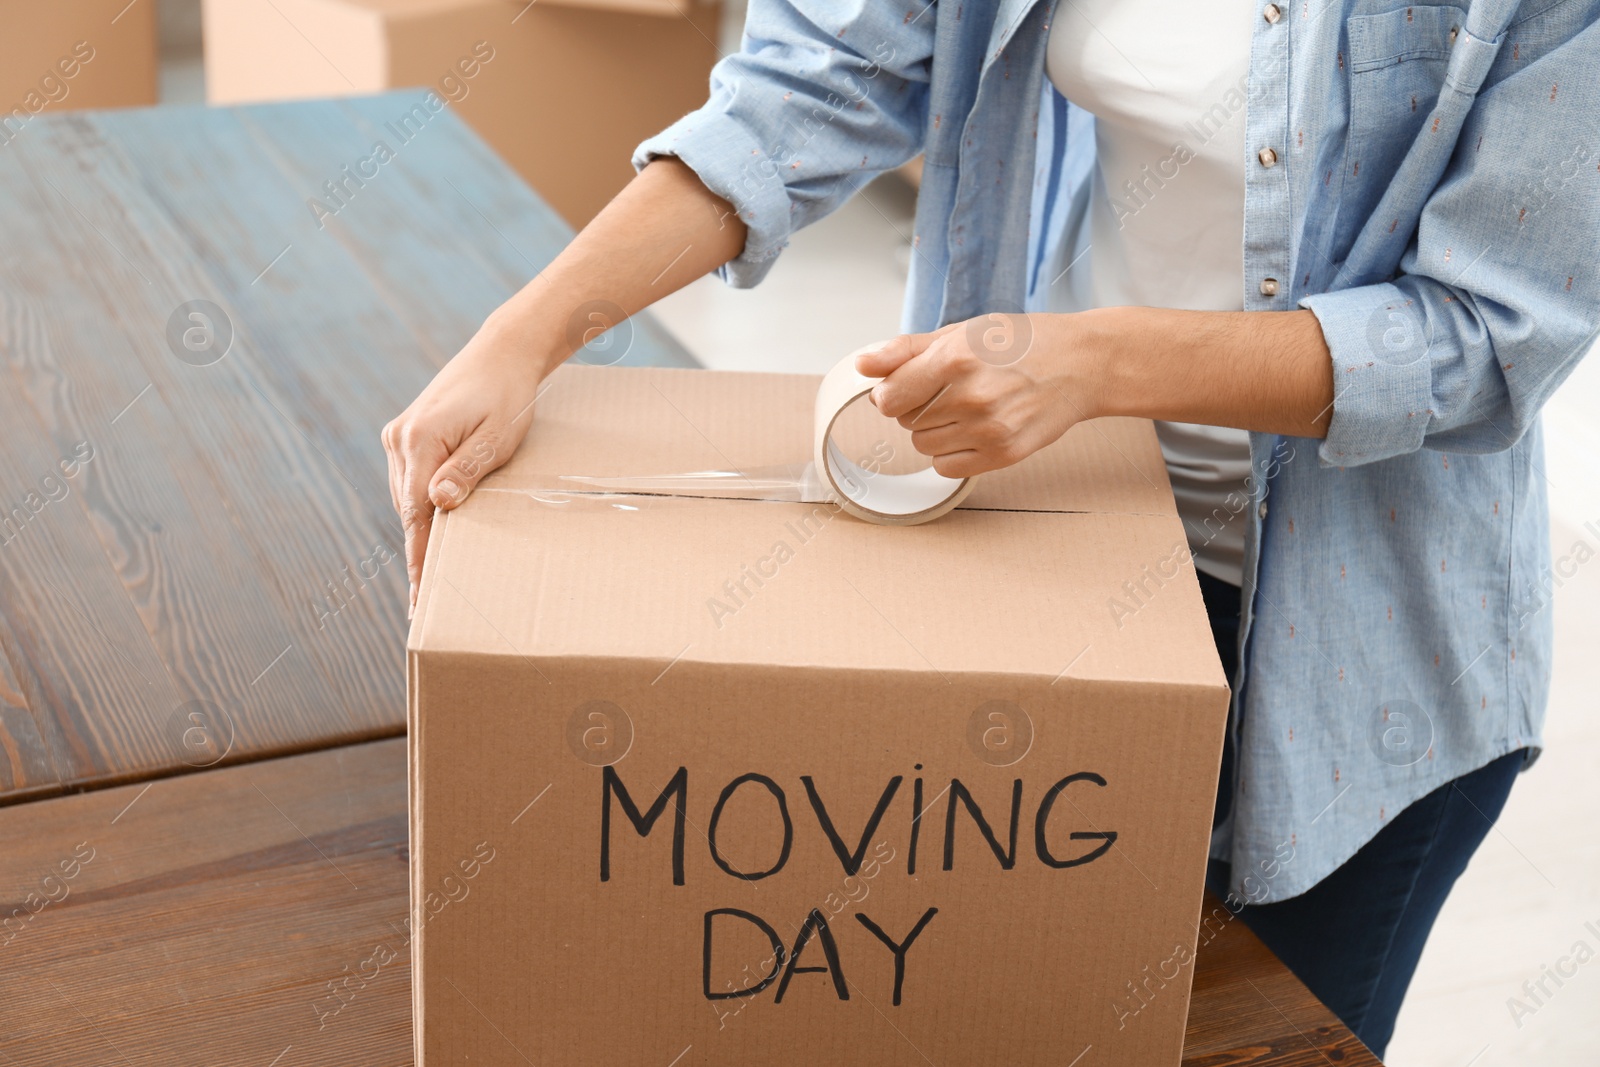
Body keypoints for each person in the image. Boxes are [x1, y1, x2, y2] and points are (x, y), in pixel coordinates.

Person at [383, 0, 1600, 1055]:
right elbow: (809, 84)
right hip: (1060, 554)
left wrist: (1100, 362)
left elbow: (1487, 336)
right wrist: (526, 334)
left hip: (1357, 661)